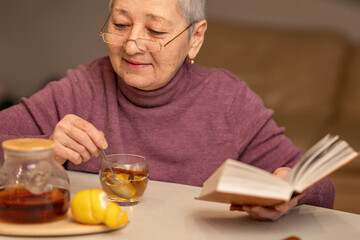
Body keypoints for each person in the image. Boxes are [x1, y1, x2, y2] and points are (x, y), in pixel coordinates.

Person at [0, 0, 334, 221]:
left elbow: (322, 188)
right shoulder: (80, 87)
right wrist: (42, 151)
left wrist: (292, 189)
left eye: (156, 31)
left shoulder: (228, 101)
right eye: (120, 24)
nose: (132, 45)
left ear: (195, 38)